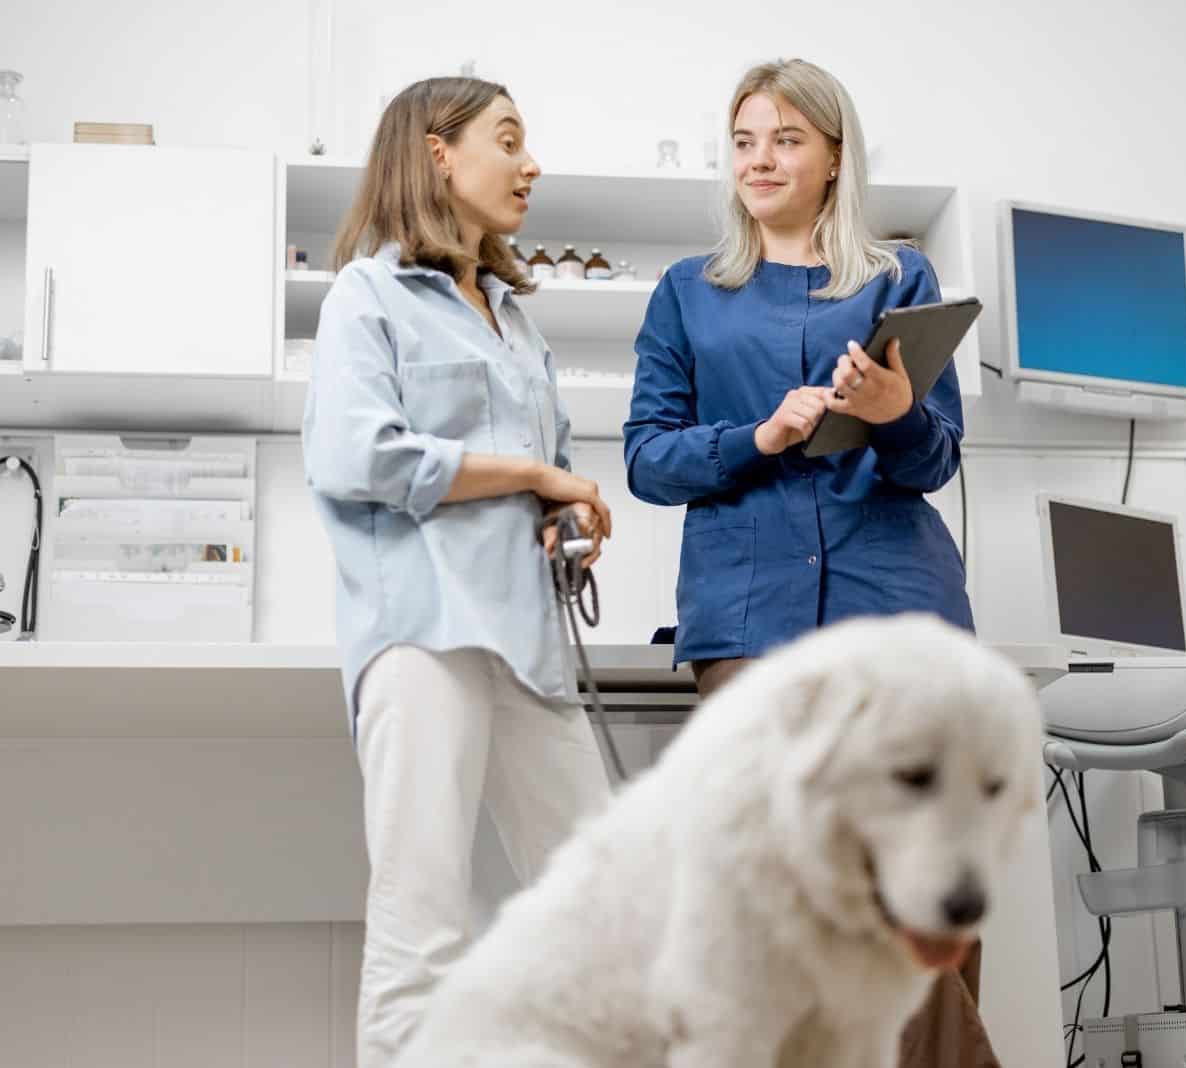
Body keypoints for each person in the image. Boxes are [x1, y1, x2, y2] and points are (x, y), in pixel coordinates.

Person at [623, 58, 995, 1068]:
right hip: (751, 621)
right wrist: (759, 437)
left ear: (834, 157)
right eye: (743, 140)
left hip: (896, 605)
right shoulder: (686, 295)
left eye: (785, 139)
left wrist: (892, 413)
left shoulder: (896, 281)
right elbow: (648, 462)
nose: (760, 159)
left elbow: (933, 460)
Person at [302, 76, 614, 1068]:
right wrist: (528, 471)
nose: (532, 164)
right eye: (508, 140)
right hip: (423, 633)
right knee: (422, 927)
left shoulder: (517, 322)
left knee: (604, 909)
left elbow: (540, 475)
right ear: (437, 153)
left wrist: (565, 512)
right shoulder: (367, 293)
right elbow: (357, 457)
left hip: (527, 643)